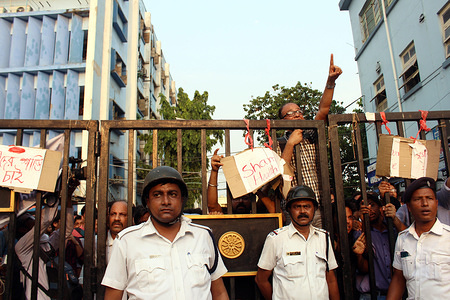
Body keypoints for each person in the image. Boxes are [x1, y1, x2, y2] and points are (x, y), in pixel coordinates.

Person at [102, 166, 229, 299]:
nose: (166, 201)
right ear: (147, 201)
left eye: (173, 194)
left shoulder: (203, 236)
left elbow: (219, 293)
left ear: (182, 199)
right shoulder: (126, 241)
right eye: (157, 195)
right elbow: (113, 296)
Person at [276, 54, 342, 228]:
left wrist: (330, 82)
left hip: (319, 204)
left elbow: (324, 109)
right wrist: (290, 144)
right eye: (291, 113)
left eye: (299, 110)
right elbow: (280, 174)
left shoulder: (313, 134)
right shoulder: (279, 143)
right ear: (282, 121)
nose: (297, 114)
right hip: (294, 207)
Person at [255, 185, 339, 300]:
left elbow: (331, 279)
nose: (303, 211)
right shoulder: (276, 239)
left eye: (307, 207)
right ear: (289, 210)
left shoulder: (323, 237)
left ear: (314, 209)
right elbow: (261, 279)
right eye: (297, 207)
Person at [387, 177, 450, 299]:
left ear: (436, 204)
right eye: (418, 199)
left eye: (429, 198)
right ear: (409, 207)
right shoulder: (403, 238)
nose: (425, 203)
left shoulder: (448, 237)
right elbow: (399, 279)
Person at [352, 192, 395, 299]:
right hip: (371, 295)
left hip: (395, 293)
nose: (369, 209)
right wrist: (362, 219)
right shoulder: (360, 232)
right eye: (364, 207)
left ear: (380, 207)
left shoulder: (392, 230)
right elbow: (365, 253)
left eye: (372, 204)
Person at [207, 148, 275, 214]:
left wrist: (255, 188)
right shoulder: (225, 214)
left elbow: (276, 215)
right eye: (236, 198)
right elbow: (212, 207)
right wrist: (214, 171)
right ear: (230, 200)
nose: (241, 201)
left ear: (251, 199)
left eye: (245, 198)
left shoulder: (256, 212)